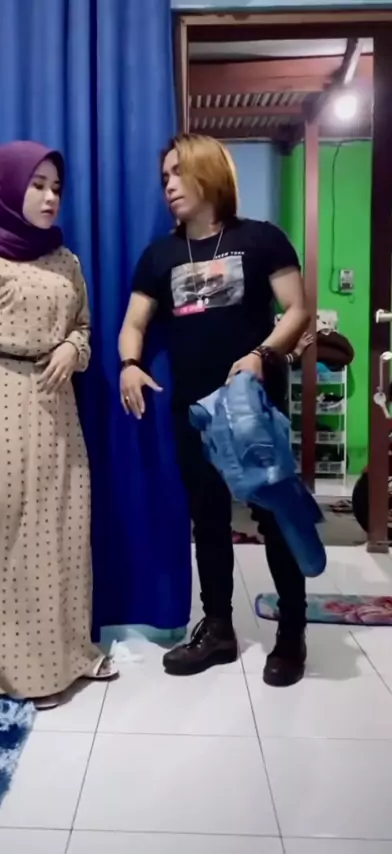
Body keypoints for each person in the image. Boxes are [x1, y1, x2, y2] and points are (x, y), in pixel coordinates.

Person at [0, 140, 116, 710]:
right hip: (1, 398)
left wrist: (73, 349)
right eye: (37, 185)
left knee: (61, 527)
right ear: (9, 188)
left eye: (56, 187)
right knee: (3, 532)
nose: (50, 197)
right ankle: (6, 665)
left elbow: (83, 326)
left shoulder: (65, 261)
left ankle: (64, 655)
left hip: (58, 408)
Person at [119, 133, 311, 687]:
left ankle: (292, 631)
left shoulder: (261, 239)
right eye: (164, 177)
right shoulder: (160, 255)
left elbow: (297, 309)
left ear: (209, 173)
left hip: (252, 404)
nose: (169, 185)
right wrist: (130, 364)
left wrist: (260, 355)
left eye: (178, 172)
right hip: (194, 409)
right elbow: (133, 324)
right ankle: (219, 629)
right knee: (207, 517)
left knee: (275, 517)